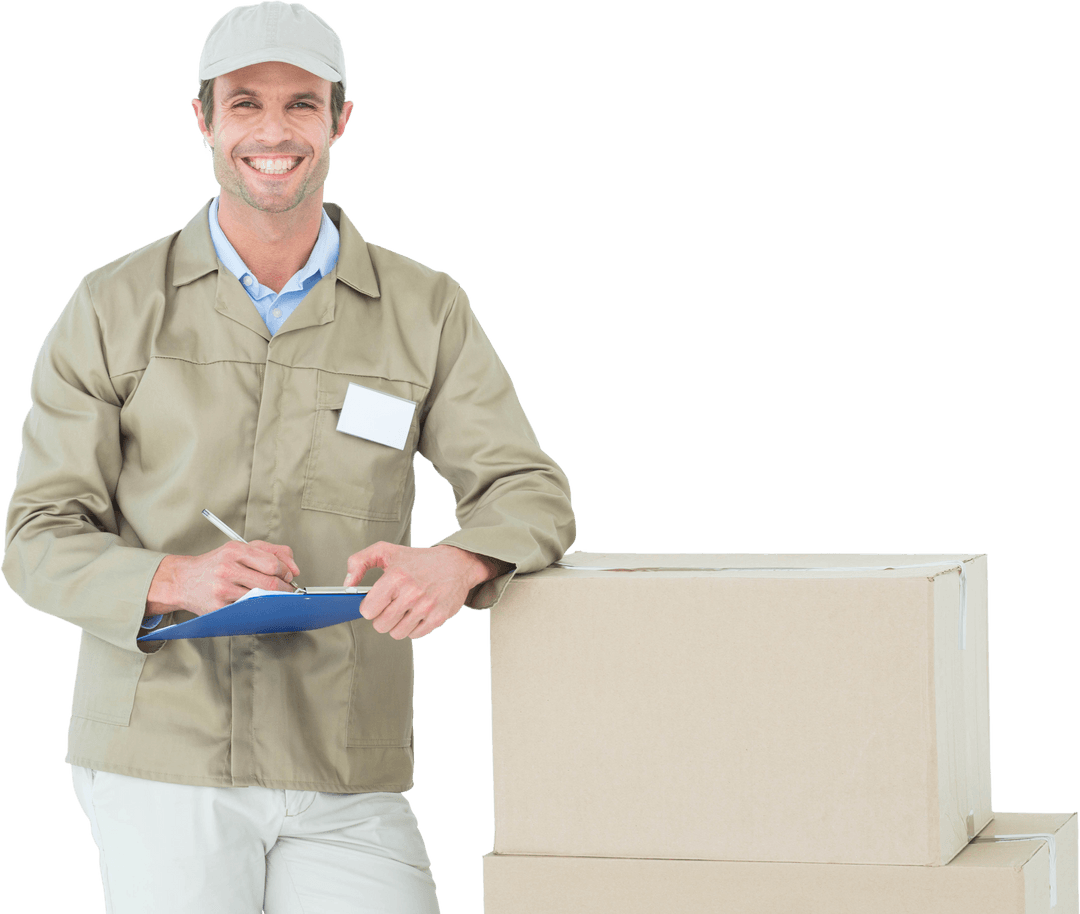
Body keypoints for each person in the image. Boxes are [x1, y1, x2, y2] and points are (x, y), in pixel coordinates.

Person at [0, 2, 576, 912]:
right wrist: (177, 579)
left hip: (343, 756)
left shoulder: (424, 308)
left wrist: (459, 561)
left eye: (301, 103)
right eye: (246, 103)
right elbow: (36, 536)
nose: (273, 132)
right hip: (165, 758)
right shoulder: (113, 305)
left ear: (340, 119)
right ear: (204, 120)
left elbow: (529, 490)